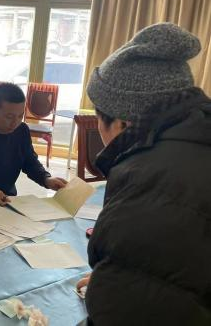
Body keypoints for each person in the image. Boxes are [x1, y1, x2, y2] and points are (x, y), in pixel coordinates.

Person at [78, 23, 211, 325]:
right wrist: (119, 282)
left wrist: (118, 295)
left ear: (122, 123)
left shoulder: (149, 181)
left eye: (98, 118)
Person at [0, 82, 67, 212]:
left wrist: (46, 179)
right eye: (9, 117)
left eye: (20, 116)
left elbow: (30, 162)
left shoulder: (22, 130)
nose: (15, 123)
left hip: (8, 202)